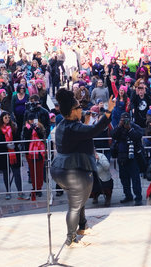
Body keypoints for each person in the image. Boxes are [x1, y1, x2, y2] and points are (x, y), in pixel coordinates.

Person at [49, 88, 114, 247]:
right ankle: (70, 239)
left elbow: (81, 135)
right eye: (79, 108)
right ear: (72, 111)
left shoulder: (63, 123)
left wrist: (83, 120)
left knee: (79, 200)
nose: (82, 109)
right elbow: (93, 130)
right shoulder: (74, 127)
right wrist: (107, 113)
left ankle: (82, 226)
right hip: (72, 171)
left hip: (62, 168)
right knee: (75, 206)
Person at [113, 111, 145, 205]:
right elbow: (113, 135)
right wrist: (119, 126)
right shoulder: (118, 128)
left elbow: (138, 136)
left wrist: (130, 129)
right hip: (121, 156)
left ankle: (138, 197)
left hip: (133, 156)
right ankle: (128, 195)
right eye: (123, 119)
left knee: (135, 178)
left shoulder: (134, 127)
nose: (125, 121)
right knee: (124, 178)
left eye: (127, 119)